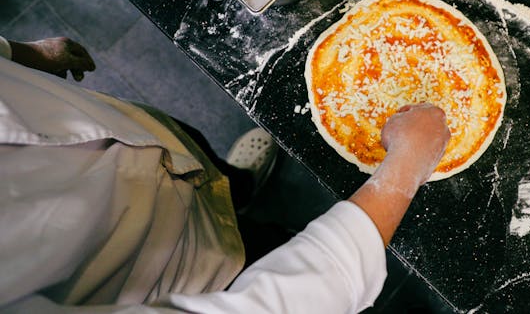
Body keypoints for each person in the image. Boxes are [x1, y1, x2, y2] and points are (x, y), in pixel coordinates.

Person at [0, 35, 452, 313]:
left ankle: (241, 187)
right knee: (273, 259)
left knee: (211, 172)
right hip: (184, 278)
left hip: (137, 137)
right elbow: (271, 306)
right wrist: (404, 166)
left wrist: (17, 53)